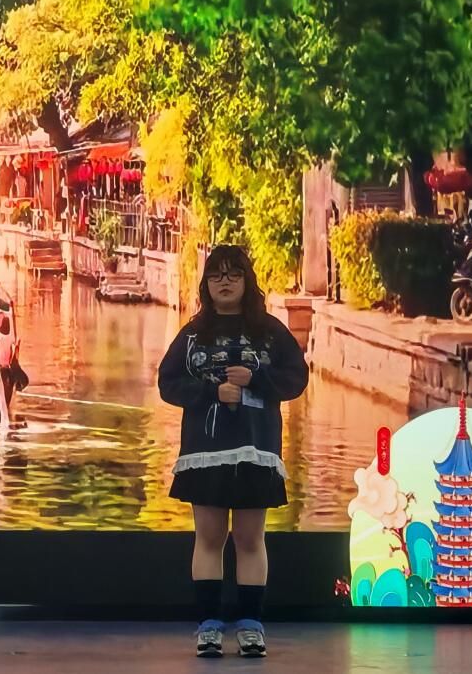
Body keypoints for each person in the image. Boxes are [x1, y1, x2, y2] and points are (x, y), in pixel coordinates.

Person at [157, 244, 308, 659]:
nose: (224, 282)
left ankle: (251, 625)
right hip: (204, 452)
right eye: (216, 275)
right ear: (206, 284)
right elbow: (168, 382)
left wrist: (256, 378)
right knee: (208, 538)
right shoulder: (192, 334)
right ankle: (208, 626)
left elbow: (296, 378)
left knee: (249, 538)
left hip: (256, 451)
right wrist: (211, 392)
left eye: (233, 274)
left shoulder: (271, 332)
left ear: (247, 281)